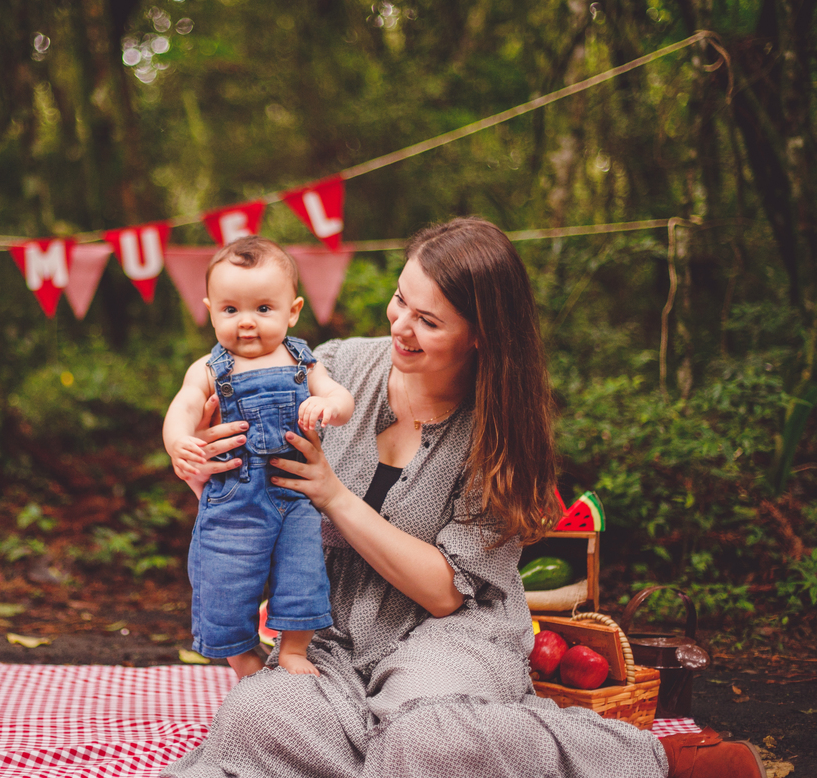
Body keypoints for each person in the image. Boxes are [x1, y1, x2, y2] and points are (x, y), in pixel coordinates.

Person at [163, 218, 765, 778]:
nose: (401, 326)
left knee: (426, 739)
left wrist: (333, 494)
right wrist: (208, 468)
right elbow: (253, 489)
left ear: (480, 335)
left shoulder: (503, 433)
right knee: (255, 718)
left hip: (453, 633)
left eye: (429, 320)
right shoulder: (332, 367)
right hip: (338, 626)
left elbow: (447, 592)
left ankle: (645, 757)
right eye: (401, 299)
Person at [163, 236, 355, 678]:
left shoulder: (303, 362)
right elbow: (186, 404)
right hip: (233, 500)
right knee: (225, 582)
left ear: (293, 310)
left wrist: (330, 408)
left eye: (263, 309)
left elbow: (338, 397)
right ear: (211, 310)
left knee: (302, 576)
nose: (246, 323)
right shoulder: (210, 369)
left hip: (293, 496)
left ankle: (293, 650)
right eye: (231, 310)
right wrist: (178, 439)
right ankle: (242, 657)